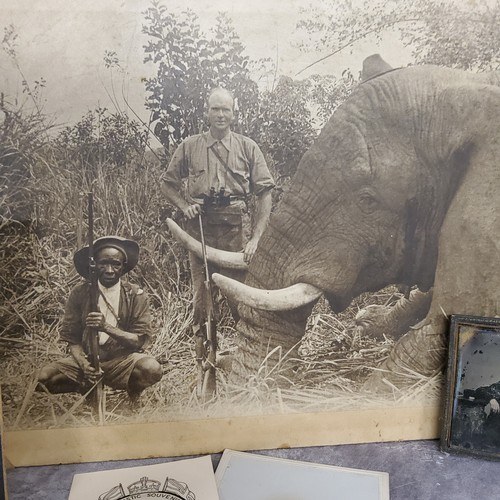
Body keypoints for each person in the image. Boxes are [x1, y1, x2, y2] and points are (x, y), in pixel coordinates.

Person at [161, 87, 274, 337]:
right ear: (207, 112)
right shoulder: (190, 146)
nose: (220, 115)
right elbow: (167, 184)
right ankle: (203, 354)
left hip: (237, 230)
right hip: (200, 228)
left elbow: (265, 194)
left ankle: (246, 348)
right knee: (202, 294)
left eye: (226, 109)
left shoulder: (248, 147)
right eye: (215, 109)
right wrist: (184, 206)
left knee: (239, 293)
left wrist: (255, 238)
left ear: (234, 114)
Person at [38, 236, 162, 402]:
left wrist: (106, 327)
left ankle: (133, 393)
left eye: (116, 264)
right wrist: (84, 365)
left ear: (123, 267)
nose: (110, 270)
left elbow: (138, 341)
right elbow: (72, 339)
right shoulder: (80, 292)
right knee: (44, 379)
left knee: (151, 369)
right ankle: (87, 387)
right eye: (103, 263)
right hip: (88, 360)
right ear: (94, 264)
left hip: (122, 361)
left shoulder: (135, 295)